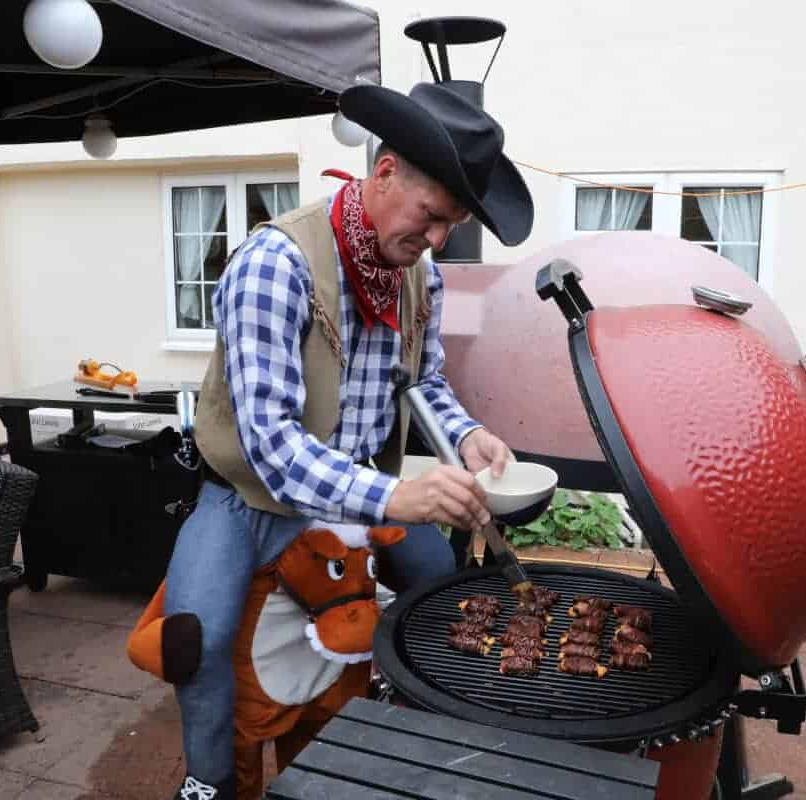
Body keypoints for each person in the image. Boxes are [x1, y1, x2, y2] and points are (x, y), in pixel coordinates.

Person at [158, 81, 534, 799]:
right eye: (430, 218)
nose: (434, 242)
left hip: (359, 493)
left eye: (449, 226)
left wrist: (469, 436)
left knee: (447, 595)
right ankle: (208, 785)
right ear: (385, 170)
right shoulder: (276, 264)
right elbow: (269, 443)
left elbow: (425, 383)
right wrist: (399, 495)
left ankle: (405, 752)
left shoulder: (419, 273)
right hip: (251, 500)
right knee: (194, 642)